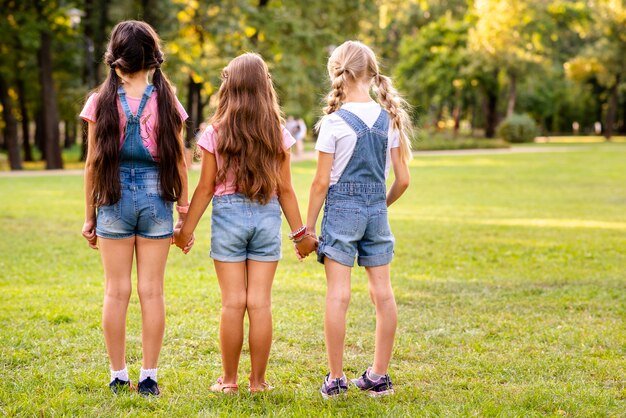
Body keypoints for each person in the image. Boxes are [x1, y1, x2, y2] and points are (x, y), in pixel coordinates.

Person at [174, 53, 317, 393]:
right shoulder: (277, 134)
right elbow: (285, 189)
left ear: (229, 88)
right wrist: (301, 236)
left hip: (228, 220)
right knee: (260, 303)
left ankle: (229, 381)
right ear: (265, 88)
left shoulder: (215, 134)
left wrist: (185, 231)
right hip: (266, 217)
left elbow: (205, 188)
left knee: (232, 303)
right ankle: (259, 382)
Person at [80, 20, 191, 396]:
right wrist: (184, 210)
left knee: (115, 291)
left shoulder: (100, 100)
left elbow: (93, 163)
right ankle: (149, 376)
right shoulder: (166, 98)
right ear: (151, 56)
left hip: (112, 199)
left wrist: (89, 216)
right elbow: (179, 160)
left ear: (116, 58)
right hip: (157, 198)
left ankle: (118, 375)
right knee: (152, 291)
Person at [305, 40, 412, 398]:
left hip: (340, 213)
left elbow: (321, 183)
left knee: (338, 295)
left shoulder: (333, 123)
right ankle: (379, 376)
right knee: (383, 294)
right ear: (370, 72)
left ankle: (336, 379)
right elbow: (404, 180)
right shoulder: (389, 119)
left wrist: (307, 226)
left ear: (337, 72)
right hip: (376, 212)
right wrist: (378, 205)